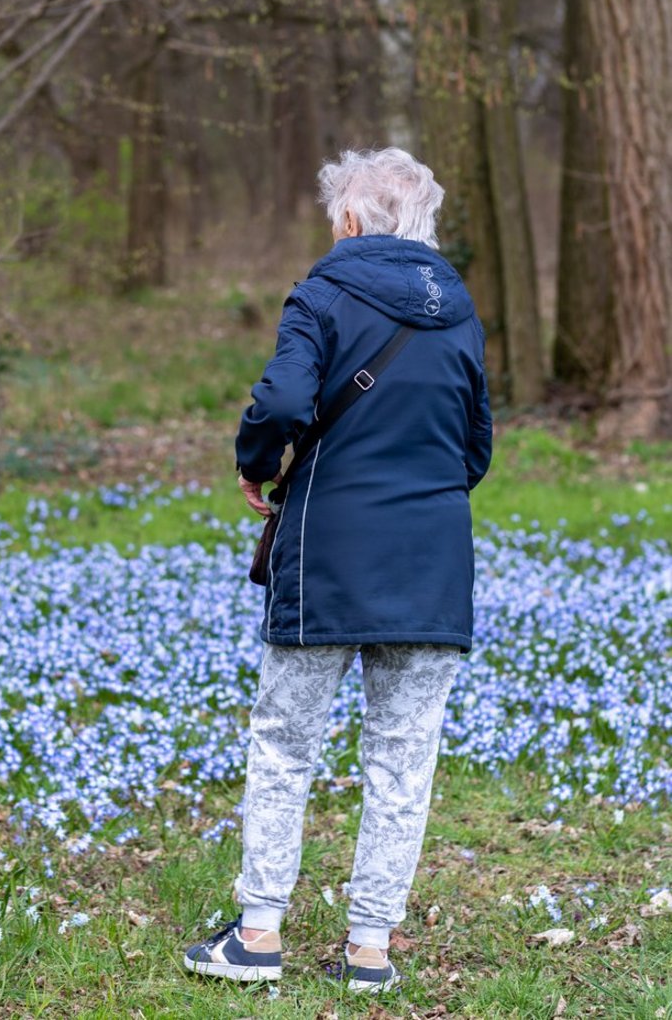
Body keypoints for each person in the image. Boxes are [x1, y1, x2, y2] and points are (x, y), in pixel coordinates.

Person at [183, 146, 493, 994]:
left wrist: (256, 463)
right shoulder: (461, 312)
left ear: (352, 219)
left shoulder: (321, 296)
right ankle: (369, 950)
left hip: (326, 552)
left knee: (286, 743)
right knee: (403, 758)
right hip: (432, 563)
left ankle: (257, 934)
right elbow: (475, 448)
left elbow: (283, 402)